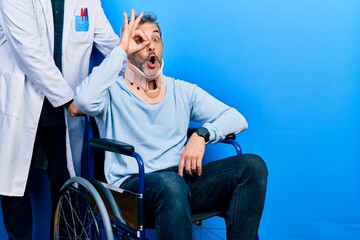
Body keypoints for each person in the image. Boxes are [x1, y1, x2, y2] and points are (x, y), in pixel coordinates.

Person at [75, 10, 268, 240]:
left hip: (179, 182)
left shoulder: (181, 91)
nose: (150, 46)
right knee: (170, 183)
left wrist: (202, 135)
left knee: (253, 166)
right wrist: (120, 51)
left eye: (155, 39)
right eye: (139, 40)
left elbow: (236, 118)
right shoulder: (111, 92)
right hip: (134, 189)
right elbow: (84, 101)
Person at [0, 0, 119, 239]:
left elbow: (110, 45)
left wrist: (142, 67)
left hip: (62, 112)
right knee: (14, 189)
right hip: (23, 102)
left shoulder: (89, 2)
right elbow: (29, 50)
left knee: (66, 185)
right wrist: (67, 99)